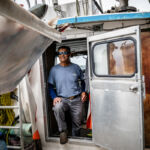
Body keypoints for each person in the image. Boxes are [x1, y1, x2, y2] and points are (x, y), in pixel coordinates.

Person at [48, 46, 87, 144]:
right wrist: (54, 97)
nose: (62, 55)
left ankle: (76, 138)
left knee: (77, 123)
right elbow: (50, 86)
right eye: (60, 53)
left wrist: (83, 91)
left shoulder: (76, 67)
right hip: (63, 99)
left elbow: (82, 82)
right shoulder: (54, 70)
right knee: (57, 107)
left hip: (76, 99)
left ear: (69, 54)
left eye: (65, 53)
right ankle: (63, 131)